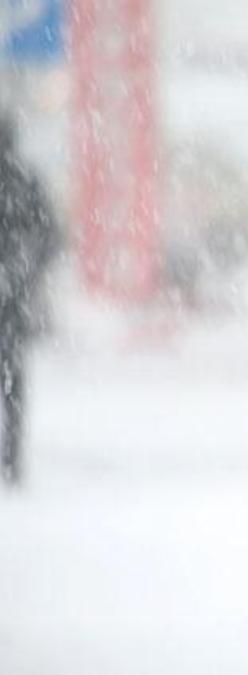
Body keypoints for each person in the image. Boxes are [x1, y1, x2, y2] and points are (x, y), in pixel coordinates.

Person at [0, 113, 57, 486]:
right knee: (14, 380)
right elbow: (50, 234)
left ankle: (13, 457)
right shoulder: (26, 180)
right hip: (14, 302)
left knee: (14, 378)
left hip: (13, 298)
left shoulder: (23, 181)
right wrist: (25, 271)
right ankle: (13, 457)